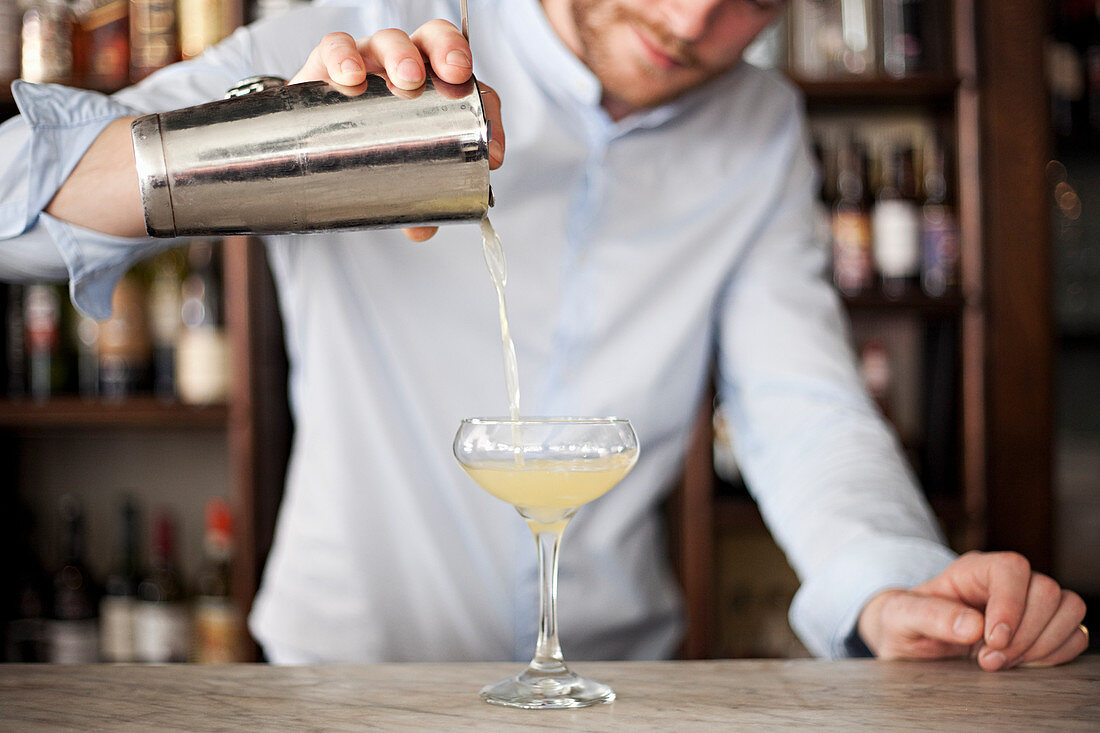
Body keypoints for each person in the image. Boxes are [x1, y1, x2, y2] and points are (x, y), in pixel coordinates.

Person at [0, 0, 1088, 669]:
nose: (690, 17)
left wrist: (885, 581)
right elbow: (16, 214)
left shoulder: (755, 124)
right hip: (340, 678)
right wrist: (261, 144)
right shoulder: (345, 31)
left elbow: (800, 403)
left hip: (619, 679)